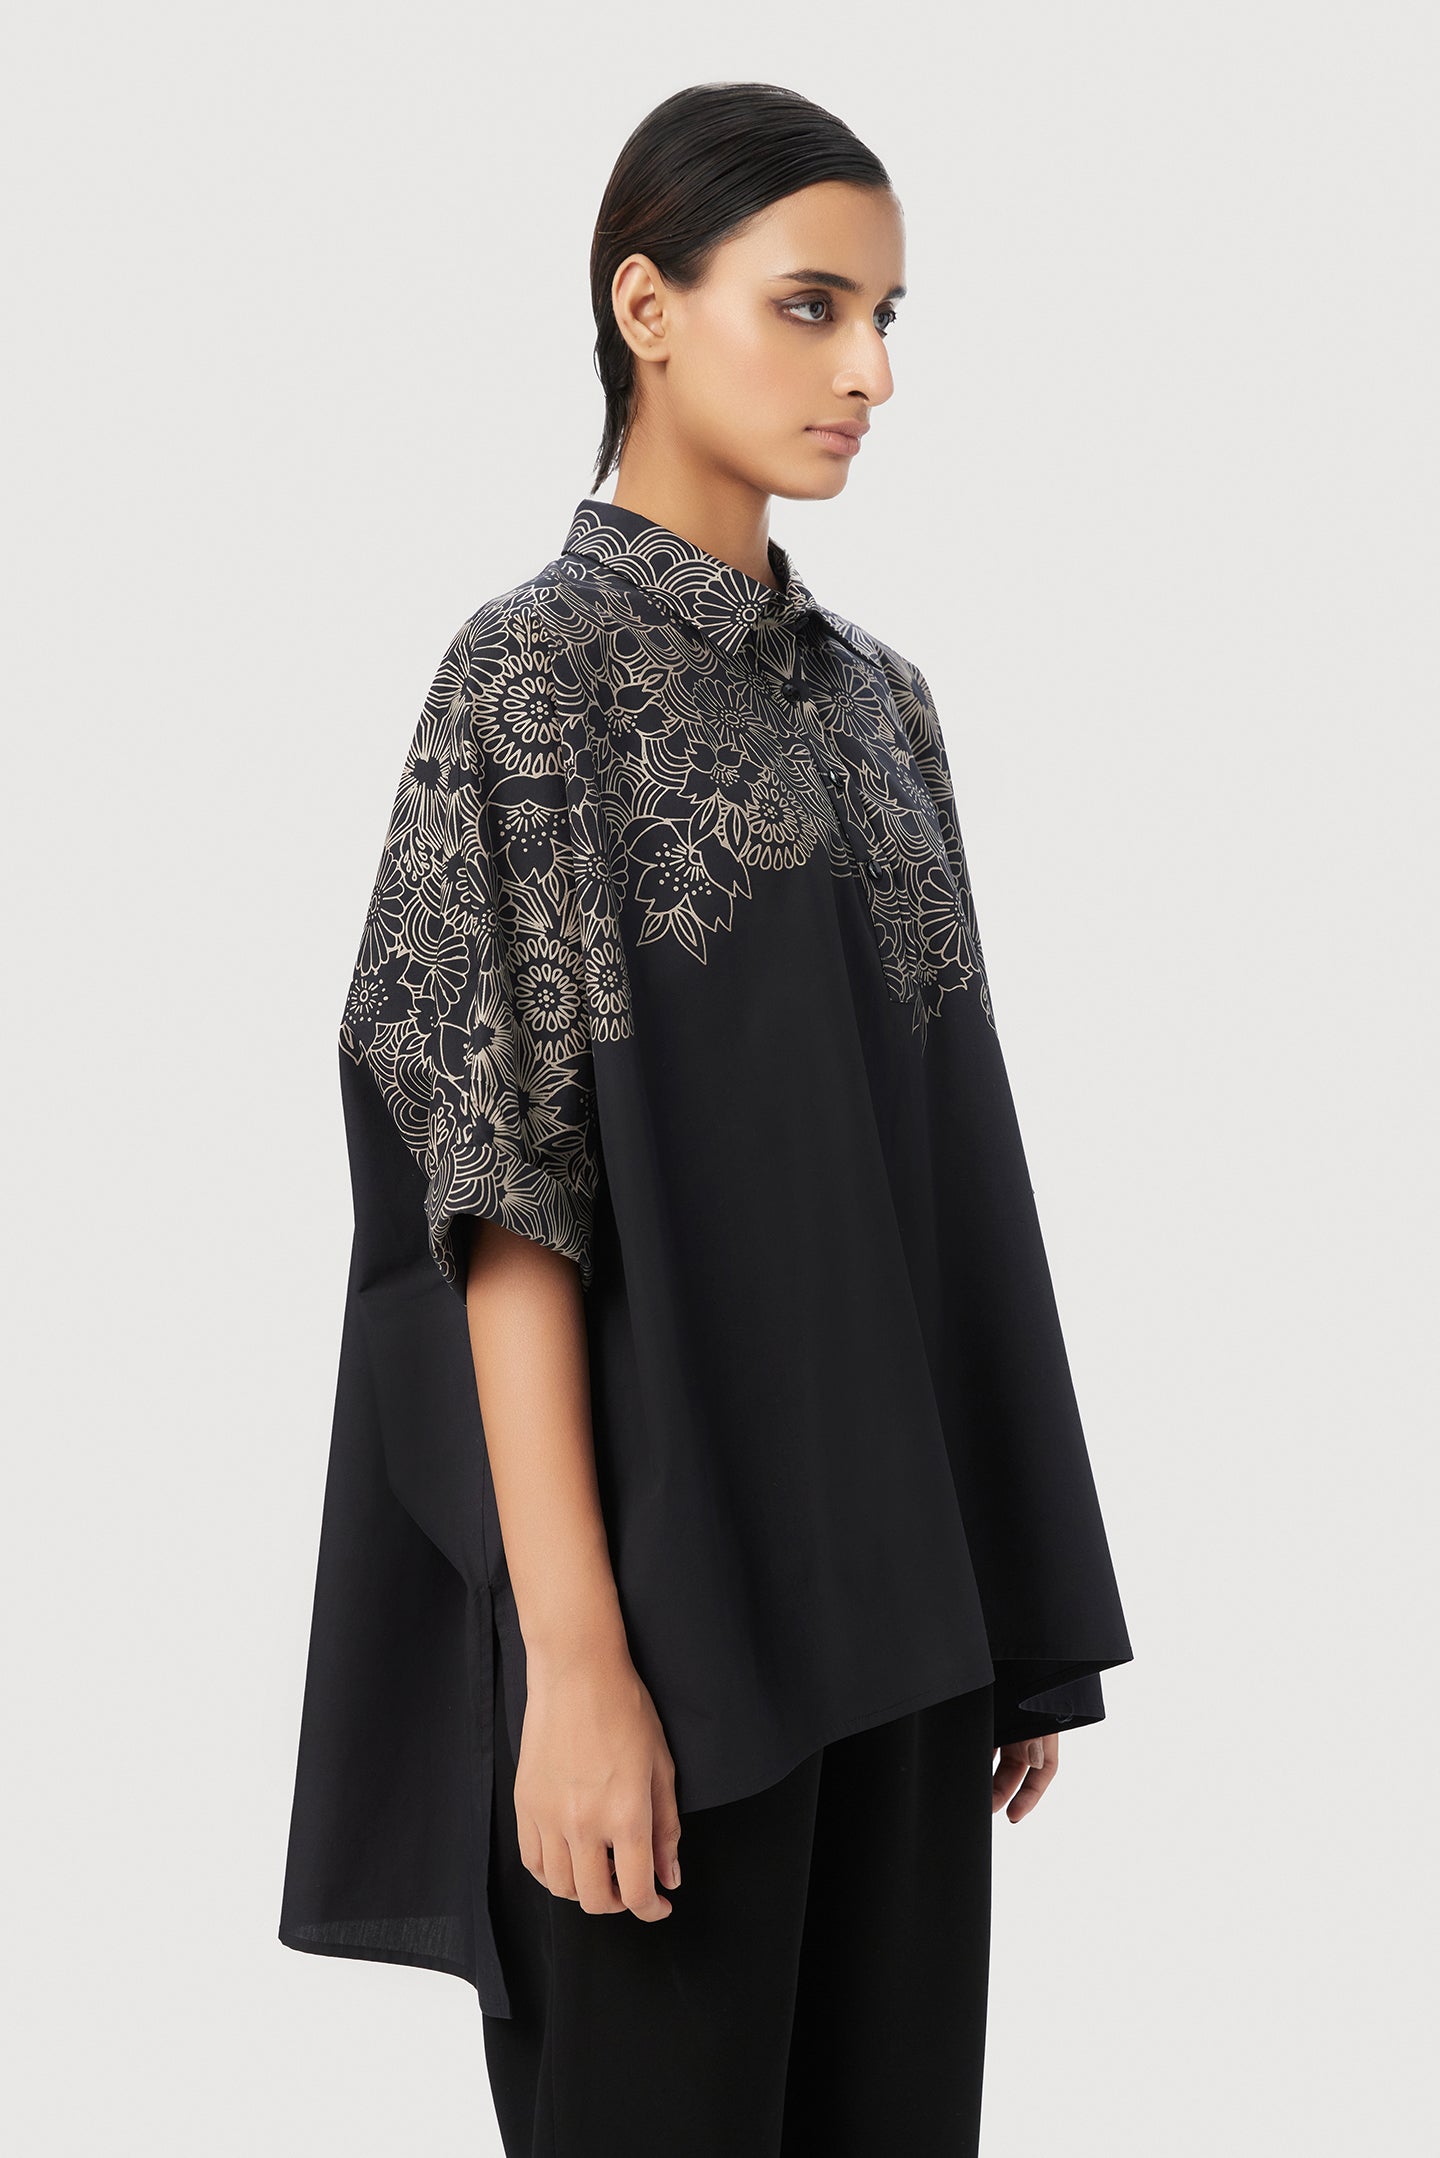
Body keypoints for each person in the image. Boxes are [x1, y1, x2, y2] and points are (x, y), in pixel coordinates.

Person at [279, 81, 1134, 2157]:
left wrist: (1006, 1599)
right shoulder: (529, 684)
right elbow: (496, 1200)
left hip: (907, 1622)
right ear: (645, 306)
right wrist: (577, 1660)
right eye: (813, 306)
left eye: (887, 316)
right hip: (671, 1638)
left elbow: (937, 1175)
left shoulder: (884, 704)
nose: (870, 373)